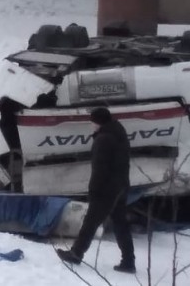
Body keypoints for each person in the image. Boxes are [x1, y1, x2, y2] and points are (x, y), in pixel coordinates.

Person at [56, 108, 135, 273]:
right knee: (121, 224)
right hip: (121, 186)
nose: (90, 124)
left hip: (105, 189)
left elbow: (100, 169)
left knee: (90, 222)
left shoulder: (103, 139)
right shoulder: (119, 133)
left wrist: (94, 190)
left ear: (98, 122)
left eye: (92, 121)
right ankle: (128, 261)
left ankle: (76, 253)